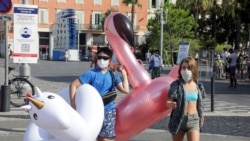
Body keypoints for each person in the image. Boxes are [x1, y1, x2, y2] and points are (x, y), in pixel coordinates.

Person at [69, 47, 129, 141]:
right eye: (99, 57)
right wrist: (73, 103)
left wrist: (124, 74)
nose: (102, 60)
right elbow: (73, 85)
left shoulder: (113, 75)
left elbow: (125, 90)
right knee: (93, 136)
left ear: (110, 60)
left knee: (105, 138)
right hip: (93, 110)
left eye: (105, 58)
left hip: (108, 110)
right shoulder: (91, 74)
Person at [166, 56, 205, 141]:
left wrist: (202, 115)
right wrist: (169, 104)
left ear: (193, 70)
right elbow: (169, 101)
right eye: (183, 68)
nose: (186, 70)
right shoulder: (176, 85)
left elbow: (200, 103)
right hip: (178, 119)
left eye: (189, 68)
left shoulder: (198, 86)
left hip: (194, 119)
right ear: (180, 69)